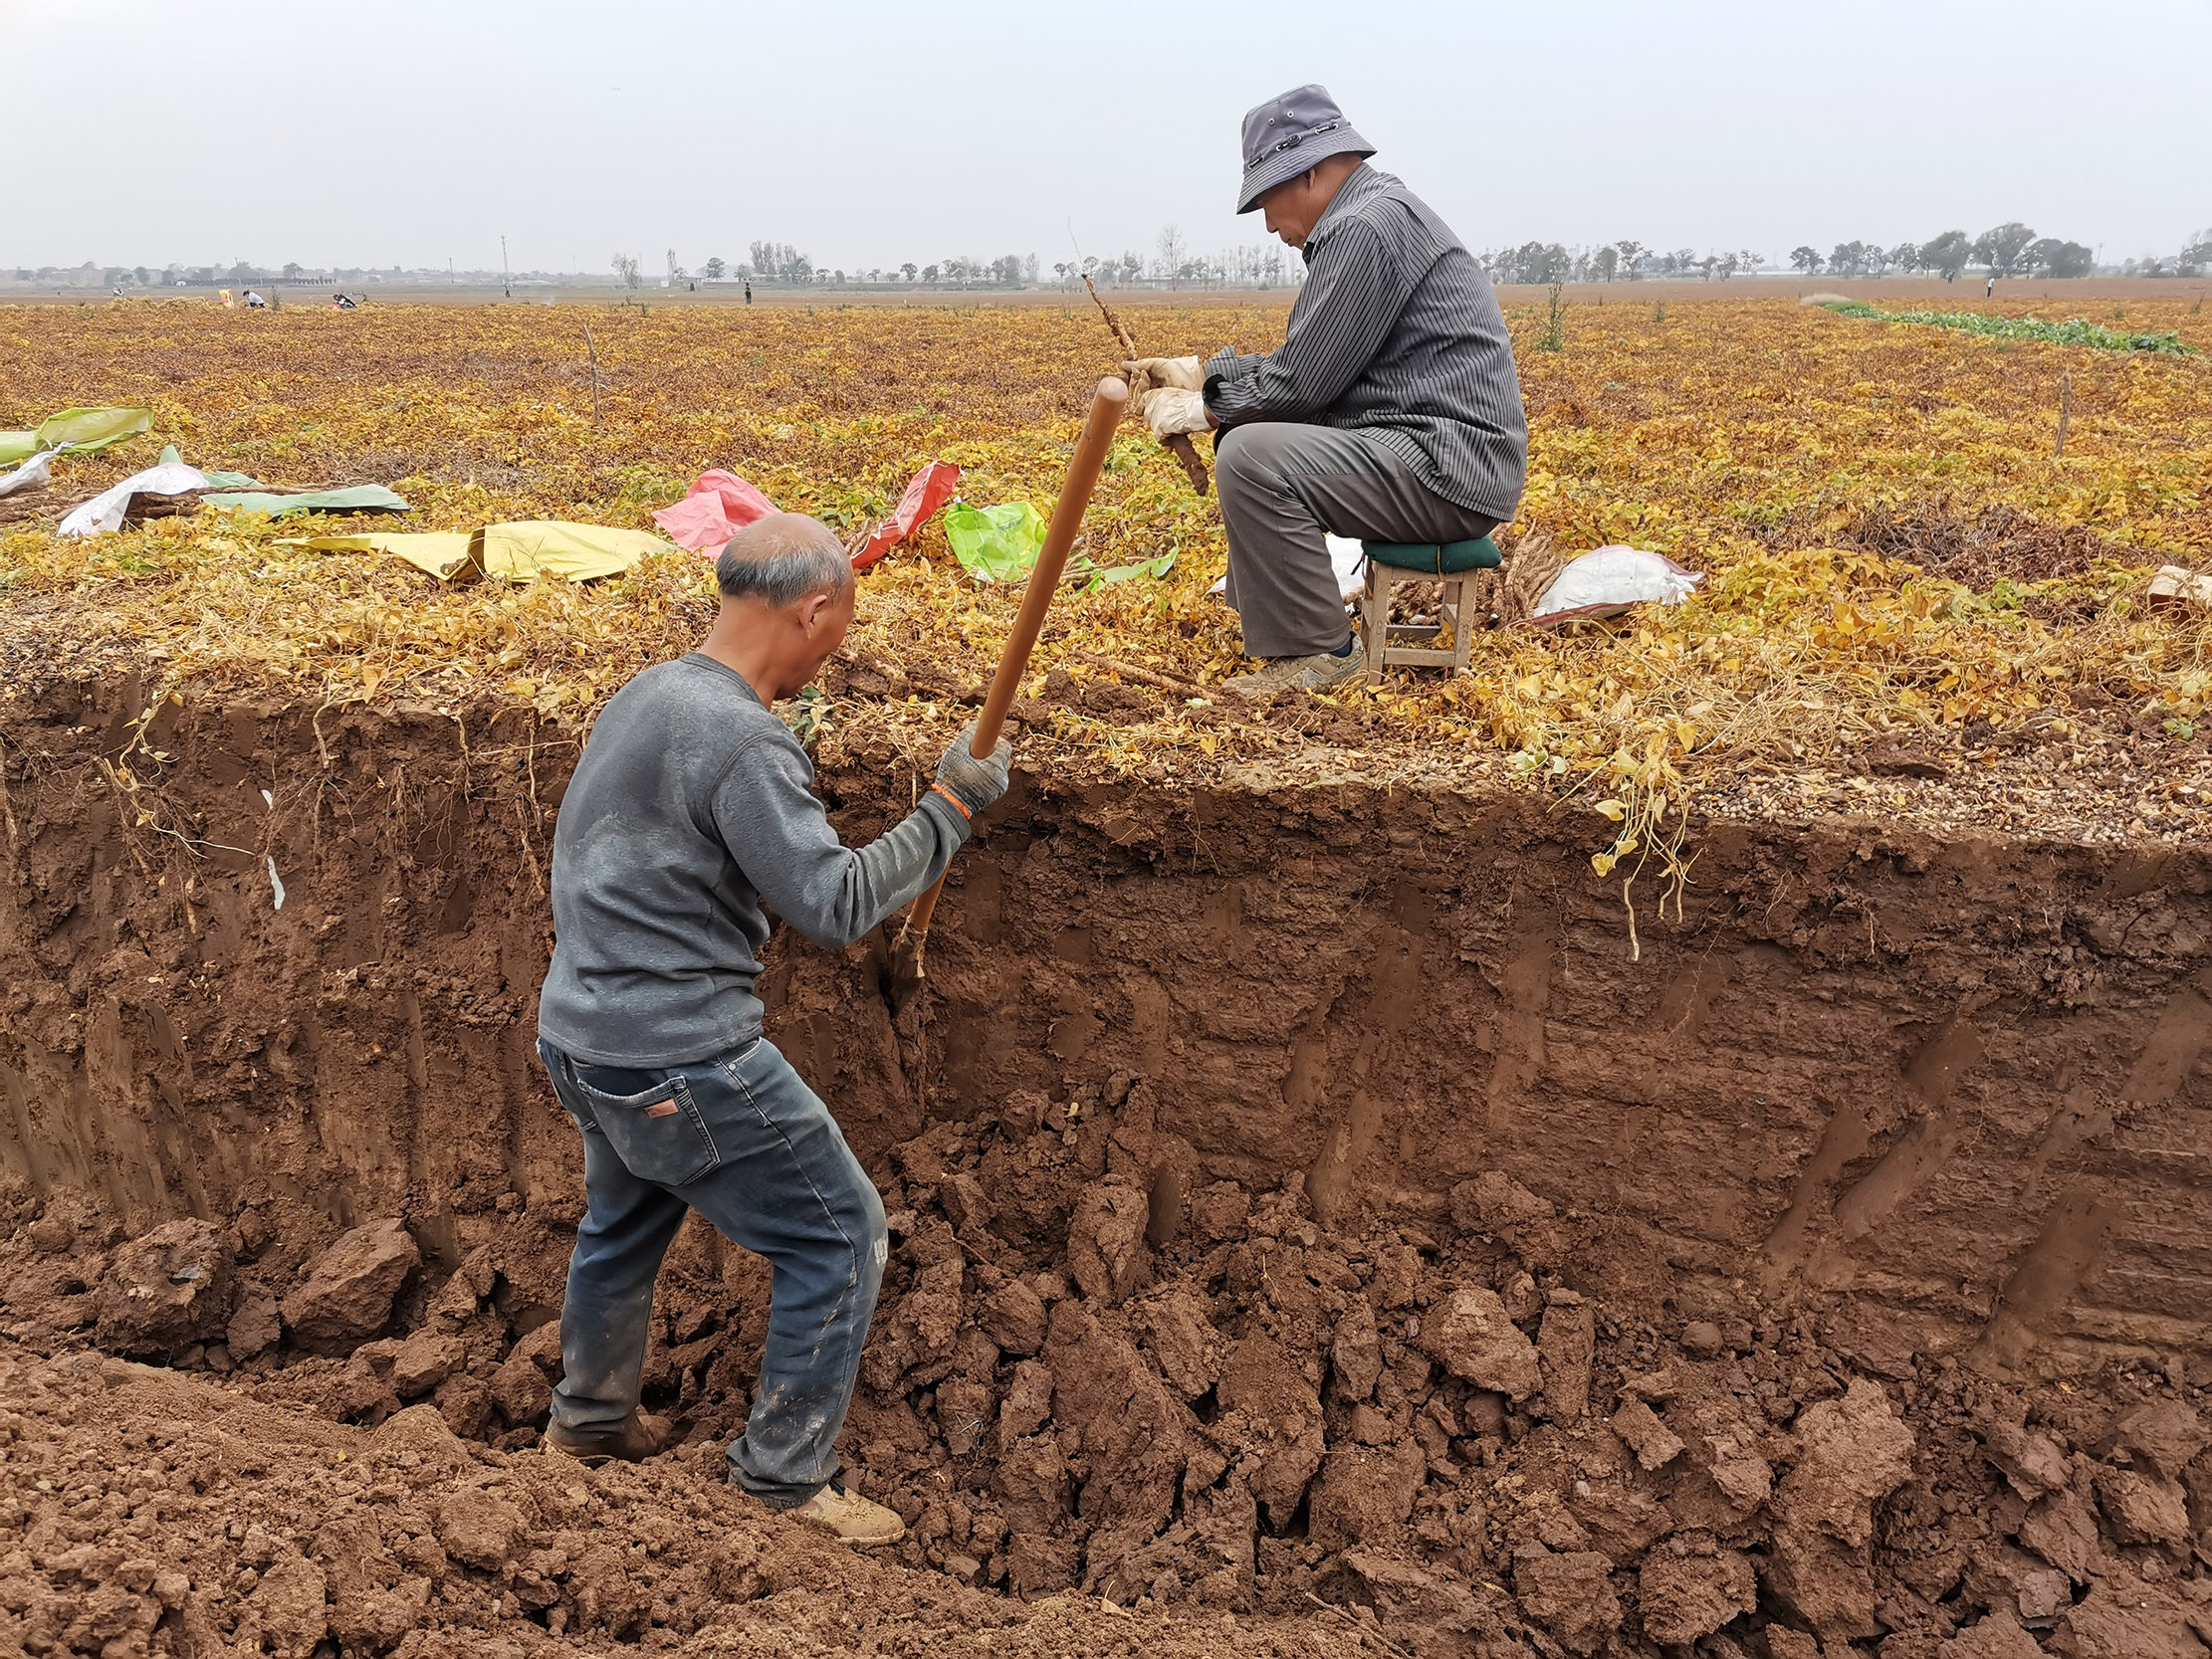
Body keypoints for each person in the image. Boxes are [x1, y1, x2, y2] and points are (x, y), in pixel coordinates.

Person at [533, 513, 1010, 1546]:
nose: (837, 649)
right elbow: (832, 906)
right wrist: (947, 810)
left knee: (621, 1225)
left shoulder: (648, 692)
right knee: (841, 1235)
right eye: (840, 627)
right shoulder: (745, 739)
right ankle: (784, 1481)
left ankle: (587, 1424)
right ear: (814, 610)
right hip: (678, 1052)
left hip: (582, 1035)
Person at [1125, 85, 1526, 698]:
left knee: (1250, 454)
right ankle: (1283, 620)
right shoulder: (1375, 213)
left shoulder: (1365, 228)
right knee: (1251, 437)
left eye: (1266, 198)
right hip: (1438, 454)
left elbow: (1300, 388)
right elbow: (1314, 363)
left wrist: (1201, 409)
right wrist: (1203, 374)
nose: (1267, 223)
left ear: (1308, 172)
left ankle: (1318, 652)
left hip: (1446, 466)